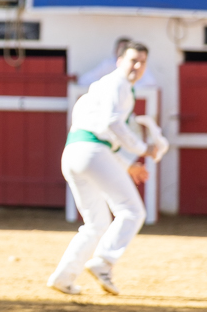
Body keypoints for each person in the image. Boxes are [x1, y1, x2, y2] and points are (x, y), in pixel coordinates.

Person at [47, 42, 165, 297]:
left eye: (142, 61)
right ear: (119, 61)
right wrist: (142, 149)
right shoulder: (119, 84)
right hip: (92, 151)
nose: (137, 66)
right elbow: (112, 124)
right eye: (133, 60)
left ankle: (63, 277)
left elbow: (102, 129)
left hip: (74, 152)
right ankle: (103, 262)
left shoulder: (98, 88)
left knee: (96, 222)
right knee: (132, 211)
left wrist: (128, 162)